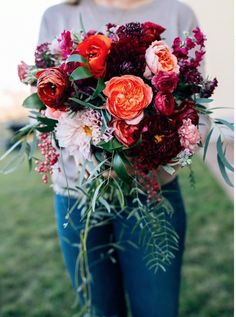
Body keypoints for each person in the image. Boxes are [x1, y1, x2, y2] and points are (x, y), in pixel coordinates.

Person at [38, 1, 202, 316]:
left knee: (158, 310)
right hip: (78, 197)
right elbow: (44, 109)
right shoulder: (57, 16)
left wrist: (148, 146)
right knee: (99, 311)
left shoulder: (177, 14)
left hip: (153, 194)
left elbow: (195, 114)